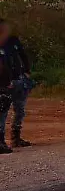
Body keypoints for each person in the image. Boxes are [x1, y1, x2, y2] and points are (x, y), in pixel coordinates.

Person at [0, 19, 34, 154]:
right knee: (3, 111)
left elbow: (23, 55)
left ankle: (16, 137)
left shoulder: (13, 41)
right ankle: (1, 141)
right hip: (4, 83)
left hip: (18, 80)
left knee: (20, 109)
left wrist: (27, 71)